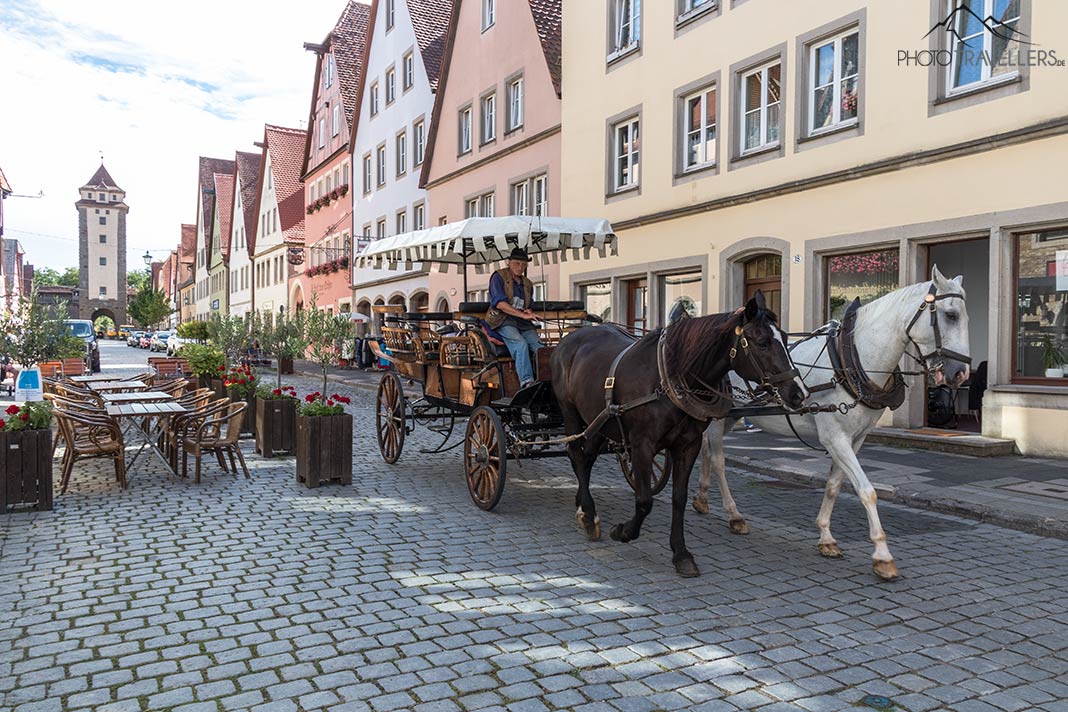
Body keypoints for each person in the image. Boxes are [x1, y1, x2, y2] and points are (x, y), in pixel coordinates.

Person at [485, 247, 543, 388]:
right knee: (520, 344)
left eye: (523, 265)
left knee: (539, 347)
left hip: (522, 322)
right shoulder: (498, 277)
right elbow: (500, 304)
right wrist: (523, 314)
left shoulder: (527, 283)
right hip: (502, 320)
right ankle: (527, 381)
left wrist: (528, 311)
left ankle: (546, 379)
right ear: (509, 262)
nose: (520, 267)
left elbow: (529, 304)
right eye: (517, 263)